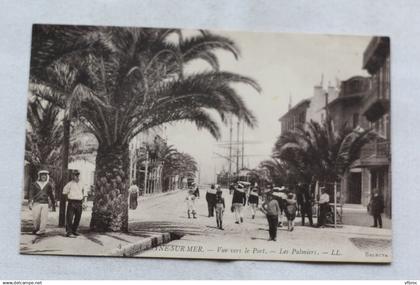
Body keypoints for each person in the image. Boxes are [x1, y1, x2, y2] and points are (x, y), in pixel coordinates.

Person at [28, 169, 55, 235]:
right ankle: (36, 228)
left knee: (44, 218)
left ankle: (42, 230)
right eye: (42, 175)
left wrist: (53, 202)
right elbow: (31, 193)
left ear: (46, 176)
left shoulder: (48, 184)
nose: (43, 176)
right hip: (36, 203)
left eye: (45, 175)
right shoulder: (34, 184)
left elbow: (51, 194)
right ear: (39, 176)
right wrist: (30, 202)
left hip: (45, 203)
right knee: (36, 218)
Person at [62, 169, 85, 238]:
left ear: (78, 175)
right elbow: (64, 192)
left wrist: (84, 202)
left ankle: (74, 230)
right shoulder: (69, 184)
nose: (75, 176)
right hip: (72, 202)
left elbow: (84, 192)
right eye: (74, 175)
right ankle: (69, 232)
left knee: (78, 217)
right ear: (72, 176)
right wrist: (69, 199)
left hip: (79, 202)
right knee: (70, 217)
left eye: (77, 175)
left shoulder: (82, 183)